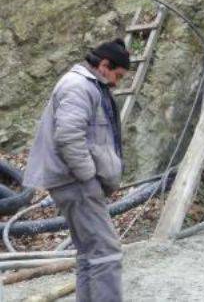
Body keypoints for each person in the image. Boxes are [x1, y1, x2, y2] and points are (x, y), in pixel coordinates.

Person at [24, 38, 129, 301]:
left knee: (89, 254)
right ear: (104, 65)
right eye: (117, 75)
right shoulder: (78, 86)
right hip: (76, 182)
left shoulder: (86, 86)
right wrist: (88, 178)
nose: (117, 82)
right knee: (107, 252)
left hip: (72, 182)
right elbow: (69, 136)